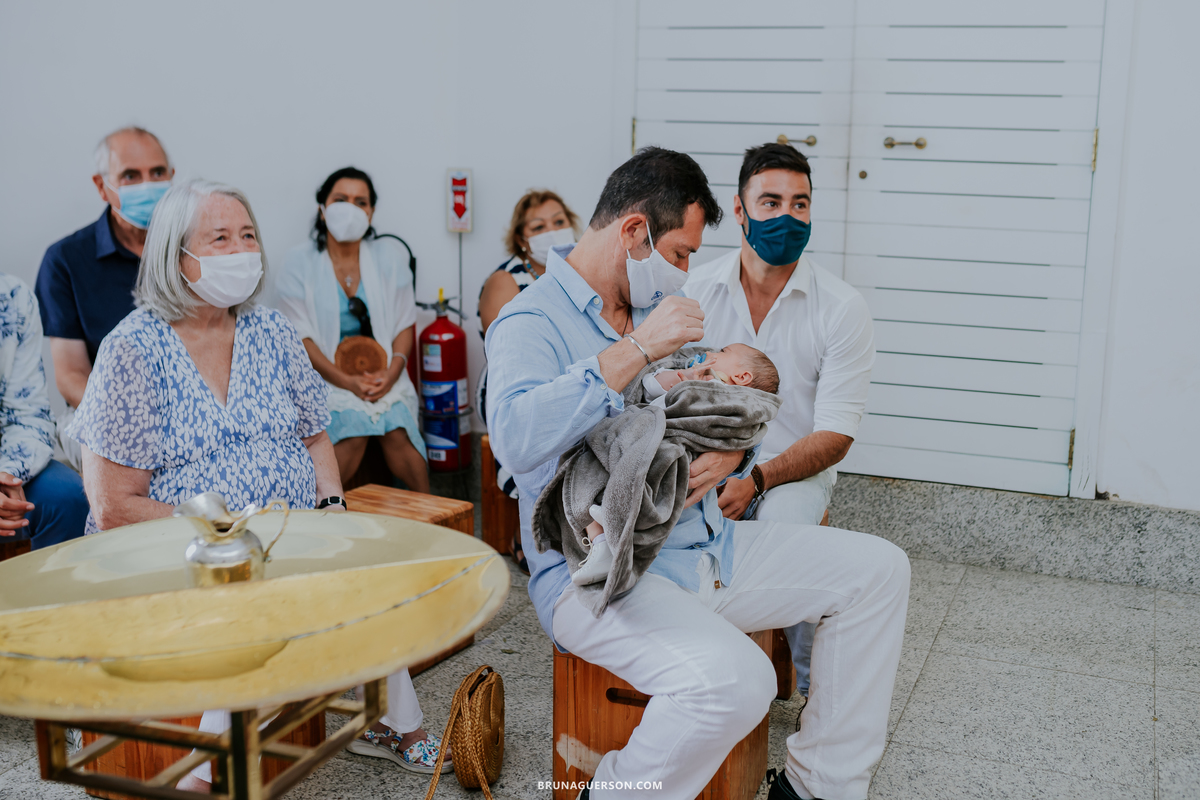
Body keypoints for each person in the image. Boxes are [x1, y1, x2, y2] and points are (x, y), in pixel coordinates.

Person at [486, 147, 908, 800]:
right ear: (634, 233)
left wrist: (732, 455)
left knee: (879, 571)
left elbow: (720, 398)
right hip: (597, 573)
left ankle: (816, 788)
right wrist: (636, 350)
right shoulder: (530, 319)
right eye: (680, 254)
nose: (685, 273)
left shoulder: (653, 304)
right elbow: (514, 442)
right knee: (739, 683)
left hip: (704, 545)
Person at [64, 179, 448, 789]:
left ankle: (388, 725)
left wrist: (330, 505)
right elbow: (112, 507)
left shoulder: (271, 332)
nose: (242, 250)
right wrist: (231, 530)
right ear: (175, 256)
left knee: (365, 569)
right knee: (257, 597)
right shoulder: (131, 351)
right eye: (220, 238)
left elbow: (315, 436)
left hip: (286, 529)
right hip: (186, 547)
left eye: (248, 236)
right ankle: (205, 776)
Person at [684, 142, 875, 703]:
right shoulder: (694, 291)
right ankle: (705, 676)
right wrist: (715, 464)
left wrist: (757, 478)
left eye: (800, 204)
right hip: (702, 455)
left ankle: (817, 693)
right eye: (770, 202)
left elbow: (835, 436)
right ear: (739, 210)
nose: (786, 216)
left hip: (791, 470)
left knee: (787, 537)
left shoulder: (841, 307)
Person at [276, 167, 428, 493]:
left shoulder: (390, 258)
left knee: (398, 433)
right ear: (322, 209)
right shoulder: (297, 263)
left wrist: (391, 374)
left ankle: (434, 514)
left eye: (361, 202)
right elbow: (300, 338)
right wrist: (346, 382)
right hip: (325, 380)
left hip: (384, 376)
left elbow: (404, 323)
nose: (351, 208)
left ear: (371, 213)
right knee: (354, 429)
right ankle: (318, 511)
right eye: (340, 199)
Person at [35, 127, 174, 470]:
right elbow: (71, 375)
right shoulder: (65, 260)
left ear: (172, 177)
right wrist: (132, 422)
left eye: (157, 173)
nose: (147, 185)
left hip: (190, 408)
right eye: (130, 175)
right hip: (103, 412)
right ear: (102, 186)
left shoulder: (194, 250)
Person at [476, 189, 582, 571]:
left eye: (558, 222)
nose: (551, 231)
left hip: (571, 373)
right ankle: (529, 532)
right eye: (538, 227)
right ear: (522, 238)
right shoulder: (505, 280)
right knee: (537, 420)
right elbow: (508, 355)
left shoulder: (580, 270)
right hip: (514, 383)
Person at [0, 275, 89, 548]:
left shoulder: (13, 297)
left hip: (6, 459)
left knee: (68, 498)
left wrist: (7, 475)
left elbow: (29, 414)